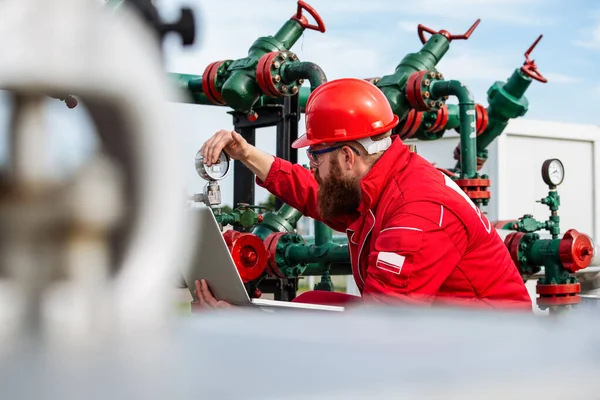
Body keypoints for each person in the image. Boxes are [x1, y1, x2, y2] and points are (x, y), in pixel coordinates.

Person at [197, 77, 532, 311]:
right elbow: (318, 193)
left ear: (347, 157)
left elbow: (382, 333)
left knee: (305, 328)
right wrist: (246, 154)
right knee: (311, 306)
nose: (311, 164)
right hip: (443, 327)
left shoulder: (416, 212)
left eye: (316, 156)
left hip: (488, 352)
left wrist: (243, 325)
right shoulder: (383, 182)